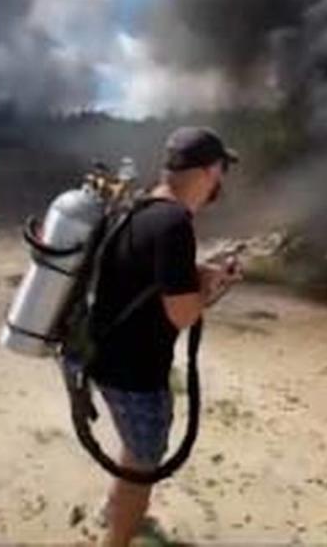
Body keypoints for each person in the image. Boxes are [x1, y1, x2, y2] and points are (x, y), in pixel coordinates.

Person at [87, 127, 242, 547]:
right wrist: (214, 288)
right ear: (211, 171)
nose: (221, 183)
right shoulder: (175, 224)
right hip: (134, 373)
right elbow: (183, 313)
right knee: (143, 465)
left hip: (102, 357)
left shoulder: (140, 208)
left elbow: (143, 278)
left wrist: (202, 274)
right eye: (221, 172)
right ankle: (117, 538)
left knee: (134, 450)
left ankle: (114, 509)